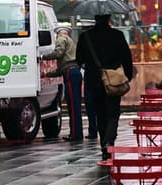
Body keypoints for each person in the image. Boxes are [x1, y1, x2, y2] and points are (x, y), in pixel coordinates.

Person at [77, 13, 133, 160]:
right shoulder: (117, 35)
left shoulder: (85, 37)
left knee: (100, 114)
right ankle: (109, 140)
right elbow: (126, 57)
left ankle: (104, 144)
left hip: (94, 81)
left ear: (95, 19)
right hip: (113, 80)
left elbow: (79, 59)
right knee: (113, 113)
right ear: (109, 19)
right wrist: (128, 75)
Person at [45, 23, 84, 141]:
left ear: (59, 33)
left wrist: (42, 57)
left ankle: (75, 134)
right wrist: (49, 74)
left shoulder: (62, 39)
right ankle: (77, 132)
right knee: (75, 105)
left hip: (70, 74)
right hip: (74, 72)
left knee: (72, 105)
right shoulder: (71, 41)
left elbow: (58, 53)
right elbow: (64, 65)